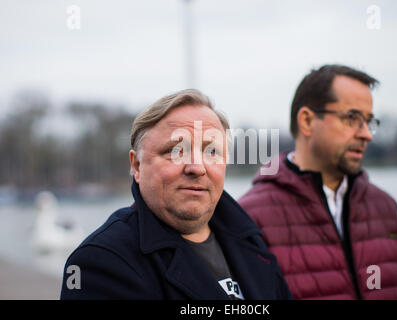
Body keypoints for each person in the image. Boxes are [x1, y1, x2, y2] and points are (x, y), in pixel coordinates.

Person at [60, 89, 291, 300]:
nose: (197, 167)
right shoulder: (101, 263)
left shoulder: (251, 239)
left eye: (212, 152)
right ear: (137, 166)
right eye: (175, 151)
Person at [239, 65, 397, 300]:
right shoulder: (250, 218)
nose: (366, 134)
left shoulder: (386, 208)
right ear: (307, 121)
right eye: (352, 118)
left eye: (368, 121)